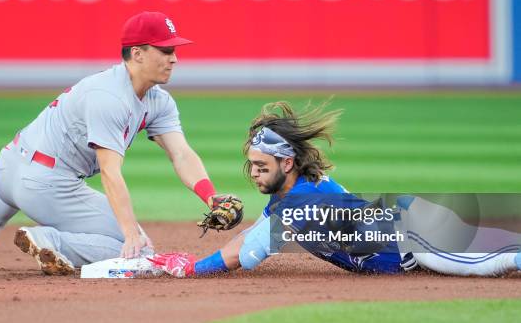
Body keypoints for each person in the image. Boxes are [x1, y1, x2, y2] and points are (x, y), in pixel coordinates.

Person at [0, 11, 230, 275]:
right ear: (138, 53)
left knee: (21, 174)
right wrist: (130, 233)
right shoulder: (111, 97)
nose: (174, 58)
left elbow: (181, 153)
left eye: (174, 50)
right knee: (140, 248)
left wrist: (211, 196)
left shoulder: (158, 100)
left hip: (7, 169)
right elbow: (109, 171)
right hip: (45, 185)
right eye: (165, 50)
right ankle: (50, 239)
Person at [149, 102, 521, 278]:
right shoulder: (291, 195)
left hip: (416, 234)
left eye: (263, 167)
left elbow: (246, 253)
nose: (256, 176)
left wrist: (193, 267)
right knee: (494, 245)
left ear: (287, 163)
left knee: (493, 262)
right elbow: (258, 232)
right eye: (253, 166)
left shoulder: (302, 202)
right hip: (411, 224)